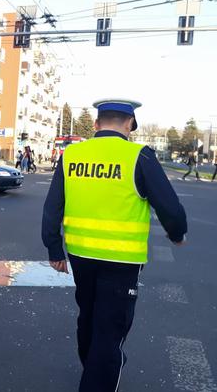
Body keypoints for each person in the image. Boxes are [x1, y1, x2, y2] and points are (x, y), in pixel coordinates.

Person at [41, 99, 187, 392]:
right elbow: (169, 206)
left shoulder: (72, 154)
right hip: (121, 261)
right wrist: (177, 233)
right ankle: (97, 380)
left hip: (81, 256)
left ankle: (94, 369)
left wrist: (54, 249)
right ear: (130, 125)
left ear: (96, 124)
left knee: (89, 318)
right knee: (110, 330)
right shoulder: (138, 156)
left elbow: (52, 207)